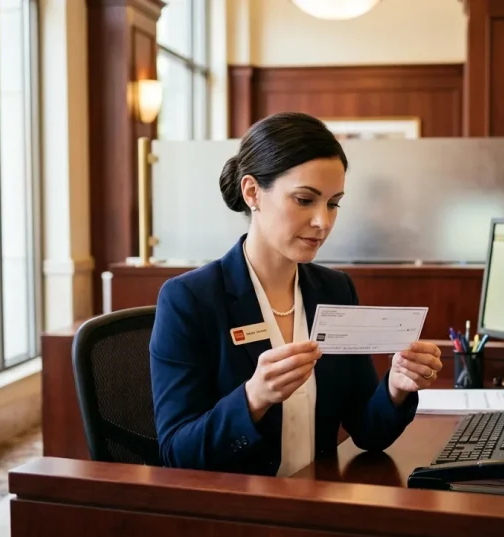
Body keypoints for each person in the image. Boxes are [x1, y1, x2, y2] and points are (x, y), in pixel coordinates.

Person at [149, 112, 443, 476]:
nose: (324, 221)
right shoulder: (189, 300)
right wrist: (253, 398)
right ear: (252, 192)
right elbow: (177, 453)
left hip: (314, 503)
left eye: (333, 203)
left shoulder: (334, 289)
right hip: (234, 514)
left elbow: (368, 431)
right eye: (305, 200)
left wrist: (397, 386)